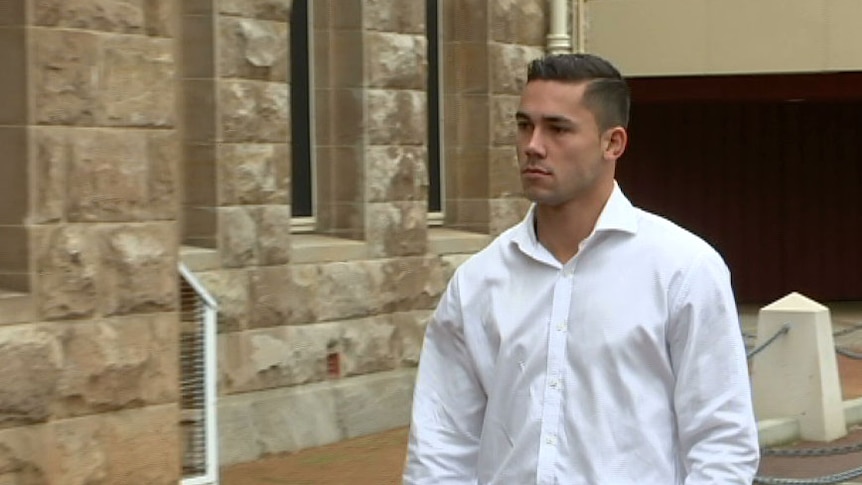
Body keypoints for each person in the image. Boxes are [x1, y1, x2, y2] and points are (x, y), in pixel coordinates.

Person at [403, 53, 760, 484]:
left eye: (558, 128)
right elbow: (442, 441)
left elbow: (721, 441)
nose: (533, 144)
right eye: (524, 125)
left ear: (613, 143)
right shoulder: (478, 282)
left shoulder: (682, 270)